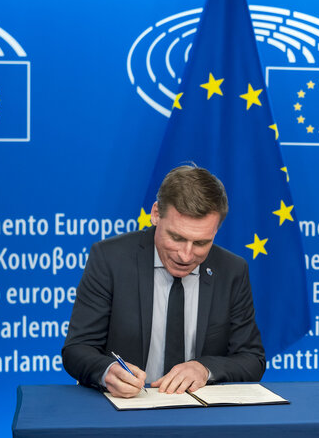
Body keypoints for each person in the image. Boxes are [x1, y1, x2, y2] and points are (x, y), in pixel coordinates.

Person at [62, 165, 265, 398]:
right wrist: (107, 372)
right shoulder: (110, 259)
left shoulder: (232, 271)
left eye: (201, 243)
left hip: (203, 418)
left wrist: (205, 369)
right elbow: (77, 349)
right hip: (125, 413)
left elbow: (252, 359)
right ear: (156, 214)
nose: (186, 255)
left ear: (216, 230)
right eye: (177, 238)